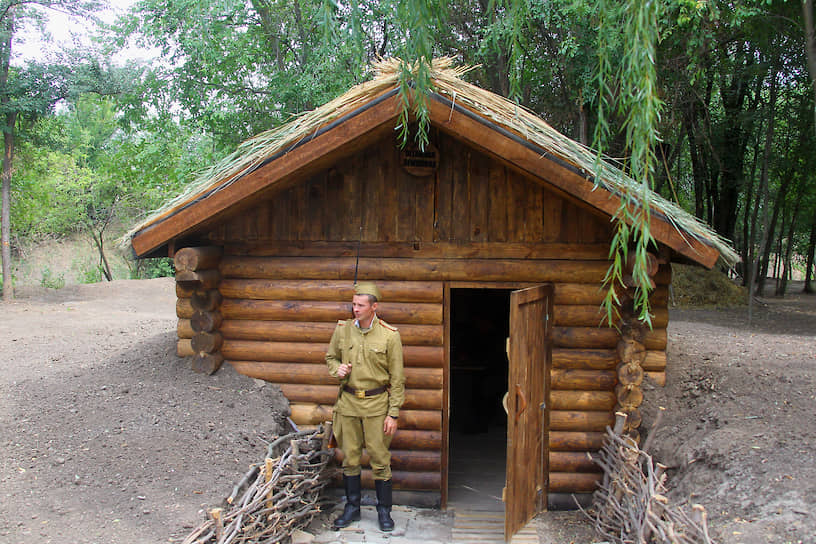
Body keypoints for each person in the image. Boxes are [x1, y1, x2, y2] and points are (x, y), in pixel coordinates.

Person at [325, 282, 405, 532]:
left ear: (374, 306)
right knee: (350, 458)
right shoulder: (343, 330)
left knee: (380, 459)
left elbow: (397, 378)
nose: (355, 309)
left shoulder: (390, 335)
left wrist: (393, 413)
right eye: (353, 304)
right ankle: (352, 508)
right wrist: (336, 370)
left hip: (376, 405)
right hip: (348, 403)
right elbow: (331, 358)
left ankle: (384, 511)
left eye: (360, 305)